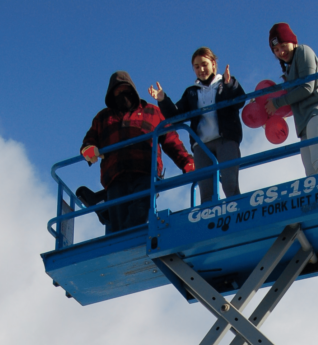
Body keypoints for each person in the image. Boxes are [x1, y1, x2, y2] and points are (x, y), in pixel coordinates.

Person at [77, 71, 195, 234]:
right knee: (119, 221)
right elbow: (90, 138)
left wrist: (187, 162)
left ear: (132, 90)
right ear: (111, 95)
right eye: (117, 92)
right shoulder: (104, 117)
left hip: (145, 171)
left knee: (140, 209)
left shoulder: (152, 112)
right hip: (116, 175)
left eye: (125, 90)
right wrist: (88, 148)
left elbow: (171, 140)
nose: (121, 95)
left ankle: (105, 210)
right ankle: (108, 213)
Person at [148, 48, 244, 204]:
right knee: (206, 191)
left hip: (225, 139)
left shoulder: (224, 83)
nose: (201, 69)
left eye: (204, 64)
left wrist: (230, 84)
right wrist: (163, 99)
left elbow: (240, 101)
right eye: (197, 66)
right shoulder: (192, 92)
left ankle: (240, 216)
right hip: (201, 144)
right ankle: (210, 224)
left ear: (213, 64)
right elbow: (176, 117)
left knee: (230, 184)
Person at [264, 23, 318, 177]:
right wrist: (266, 110)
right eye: (276, 50)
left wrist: (277, 103)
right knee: (311, 174)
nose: (281, 52)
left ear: (292, 41)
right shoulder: (288, 69)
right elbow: (291, 101)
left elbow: (307, 87)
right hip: (304, 124)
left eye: (283, 45)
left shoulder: (303, 51)